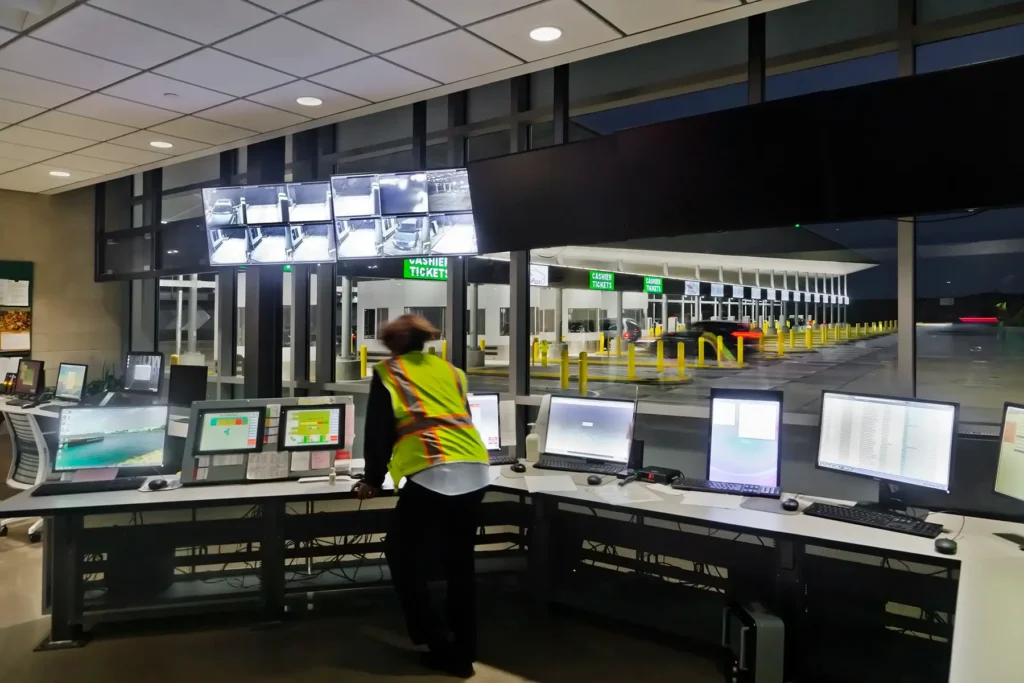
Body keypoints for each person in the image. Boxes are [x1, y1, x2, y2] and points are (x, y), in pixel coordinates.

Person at [353, 314, 490, 679]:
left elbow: (379, 431)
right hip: (475, 467)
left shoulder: (389, 373)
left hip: (433, 470)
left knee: (403, 557)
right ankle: (465, 649)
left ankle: (440, 644)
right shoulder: (452, 371)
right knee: (460, 563)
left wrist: (371, 479)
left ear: (391, 344)